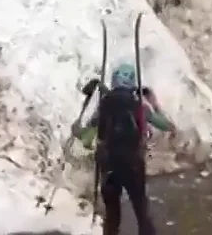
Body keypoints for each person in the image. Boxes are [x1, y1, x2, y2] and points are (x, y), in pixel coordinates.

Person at [71, 63, 176, 235]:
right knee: (141, 213)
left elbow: (83, 137)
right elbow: (168, 126)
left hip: (108, 165)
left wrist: (87, 104)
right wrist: (155, 104)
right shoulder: (139, 107)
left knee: (112, 217)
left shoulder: (103, 106)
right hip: (133, 165)